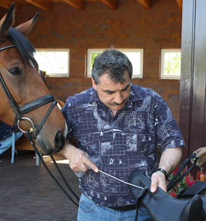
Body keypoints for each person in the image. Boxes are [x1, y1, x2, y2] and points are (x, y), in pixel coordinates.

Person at [59, 49, 185, 221]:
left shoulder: (151, 101)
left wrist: (162, 171)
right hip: (94, 211)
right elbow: (49, 142)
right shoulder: (75, 105)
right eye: (109, 92)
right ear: (93, 83)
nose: (119, 99)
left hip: (143, 210)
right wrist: (68, 151)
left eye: (124, 89)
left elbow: (173, 143)